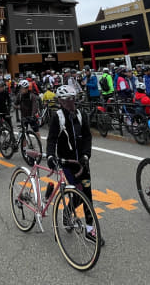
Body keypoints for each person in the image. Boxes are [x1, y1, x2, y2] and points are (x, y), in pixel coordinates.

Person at [45, 84, 102, 245]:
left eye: (73, 99)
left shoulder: (81, 114)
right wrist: (50, 156)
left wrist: (86, 155)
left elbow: (87, 137)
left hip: (82, 163)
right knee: (78, 192)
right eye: (67, 100)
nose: (71, 102)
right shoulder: (57, 117)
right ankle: (68, 211)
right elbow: (52, 139)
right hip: (67, 162)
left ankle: (90, 230)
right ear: (61, 101)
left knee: (88, 195)